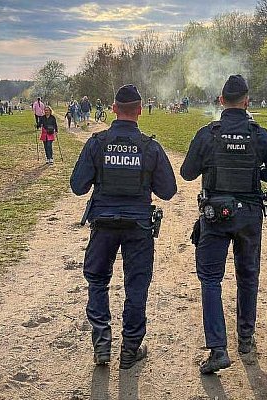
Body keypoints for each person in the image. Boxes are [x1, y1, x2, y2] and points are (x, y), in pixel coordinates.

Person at [180, 75, 267, 374]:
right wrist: (255, 172)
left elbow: (187, 172)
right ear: (247, 102)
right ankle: (245, 338)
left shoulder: (209, 133)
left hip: (216, 215)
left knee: (211, 279)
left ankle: (217, 349)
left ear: (220, 101)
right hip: (250, 216)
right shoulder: (260, 134)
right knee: (248, 276)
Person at [70, 84, 177, 369]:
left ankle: (101, 344)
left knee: (97, 280)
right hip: (138, 226)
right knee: (137, 286)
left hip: (103, 224)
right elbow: (168, 191)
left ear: (114, 109)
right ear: (140, 111)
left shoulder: (97, 143)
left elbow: (78, 186)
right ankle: (130, 349)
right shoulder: (150, 147)